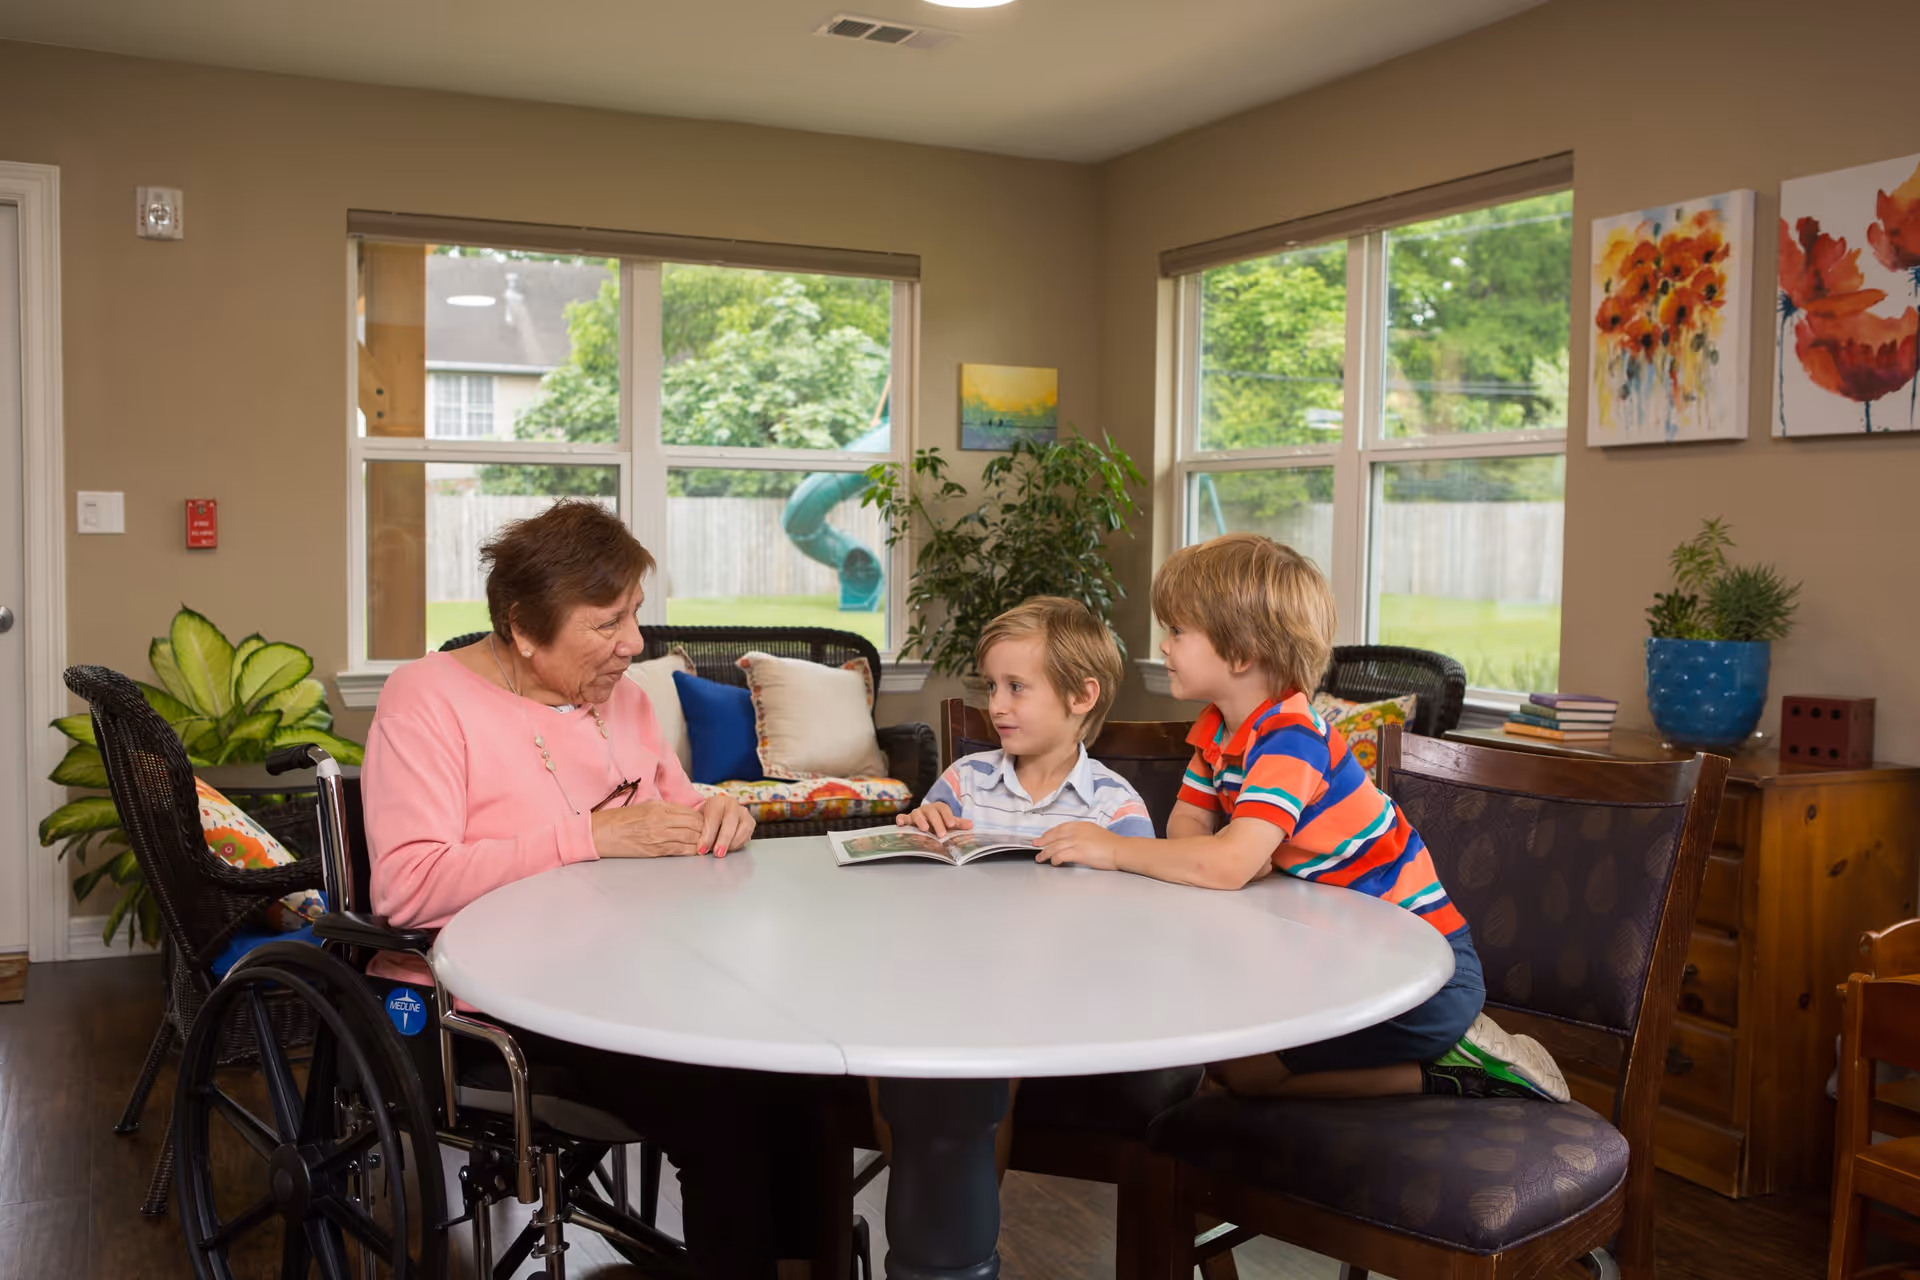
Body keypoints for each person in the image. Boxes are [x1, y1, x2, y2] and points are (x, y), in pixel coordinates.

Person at [362, 499, 822, 1280]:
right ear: (523, 626)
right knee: (726, 1110)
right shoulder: (426, 700)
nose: (633, 645)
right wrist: (590, 836)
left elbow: (674, 812)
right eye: (607, 623)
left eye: (635, 614)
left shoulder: (626, 699)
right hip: (497, 1006)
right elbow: (406, 889)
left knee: (801, 1077)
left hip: (635, 974)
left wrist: (717, 815)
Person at [1033, 534, 1568, 1105]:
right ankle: (1448, 1070)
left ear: (1242, 653)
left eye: (1178, 632)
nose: (1163, 646)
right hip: (1335, 953)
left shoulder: (1293, 737)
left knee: (1251, 1073)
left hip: (1419, 976)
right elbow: (1189, 826)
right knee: (1236, 1069)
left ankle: (1465, 1066)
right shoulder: (1218, 729)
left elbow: (1227, 862)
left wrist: (1116, 849)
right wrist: (1226, 854)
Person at [882, 596, 1157, 1176]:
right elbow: (916, 882)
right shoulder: (964, 780)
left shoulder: (1116, 808)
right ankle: (928, 1195)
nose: (997, 707)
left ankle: (960, 1226)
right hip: (960, 972)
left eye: (1017, 688)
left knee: (987, 1054)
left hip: (1060, 993)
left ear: (1082, 697)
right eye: (991, 687)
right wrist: (919, 827)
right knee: (887, 1040)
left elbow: (1139, 929)